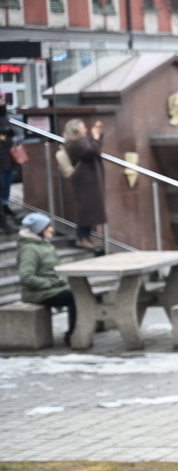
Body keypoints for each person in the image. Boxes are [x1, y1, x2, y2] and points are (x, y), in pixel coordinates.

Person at [18, 213, 75, 347]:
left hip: (49, 289)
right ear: (39, 230)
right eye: (48, 227)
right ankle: (73, 335)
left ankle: (79, 332)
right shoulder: (29, 249)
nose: (52, 229)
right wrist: (49, 283)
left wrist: (57, 281)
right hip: (36, 293)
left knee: (81, 293)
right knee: (74, 297)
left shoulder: (43, 244)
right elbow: (26, 277)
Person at [63, 118, 105, 252]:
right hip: (83, 180)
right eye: (82, 127)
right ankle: (81, 238)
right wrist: (96, 137)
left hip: (89, 180)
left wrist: (96, 135)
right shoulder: (73, 144)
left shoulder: (81, 141)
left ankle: (86, 237)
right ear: (75, 130)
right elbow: (92, 152)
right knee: (85, 210)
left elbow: (92, 149)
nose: (85, 129)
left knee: (90, 210)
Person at [0, 98, 19, 234]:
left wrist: (6, 134)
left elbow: (11, 131)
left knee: (5, 185)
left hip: (6, 155)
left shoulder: (3, 115)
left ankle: (4, 210)